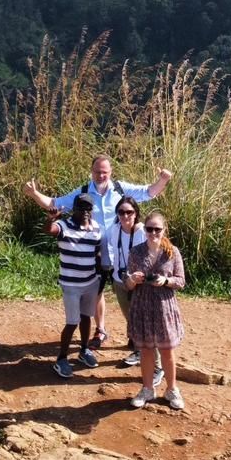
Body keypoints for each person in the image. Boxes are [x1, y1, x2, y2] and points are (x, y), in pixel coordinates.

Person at [24, 154, 173, 348]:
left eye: (104, 172)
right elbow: (55, 203)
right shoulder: (84, 191)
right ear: (91, 171)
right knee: (96, 291)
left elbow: (149, 192)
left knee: (132, 292)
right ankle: (100, 330)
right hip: (95, 251)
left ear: (111, 172)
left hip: (122, 252)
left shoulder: (120, 188)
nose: (101, 175)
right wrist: (34, 194)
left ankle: (135, 333)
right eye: (97, 172)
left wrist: (164, 179)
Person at [125, 210, 187, 410]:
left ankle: (172, 389)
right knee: (145, 350)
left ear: (164, 230)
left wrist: (166, 281)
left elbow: (181, 281)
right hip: (142, 305)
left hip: (164, 306)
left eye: (157, 229)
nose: (153, 233)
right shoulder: (136, 252)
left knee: (167, 351)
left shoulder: (172, 252)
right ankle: (147, 389)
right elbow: (127, 285)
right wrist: (133, 279)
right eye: (149, 229)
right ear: (145, 230)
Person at [103, 197, 163, 386]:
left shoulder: (142, 231)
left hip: (140, 284)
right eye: (121, 212)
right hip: (121, 281)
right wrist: (115, 269)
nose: (125, 216)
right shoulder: (115, 229)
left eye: (129, 212)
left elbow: (152, 254)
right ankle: (139, 351)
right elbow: (112, 248)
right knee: (132, 321)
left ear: (136, 213)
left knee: (146, 326)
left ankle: (158, 367)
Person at [47, 194, 104, 379]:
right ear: (74, 210)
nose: (85, 213)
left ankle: (84, 350)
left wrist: (101, 276)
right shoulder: (65, 226)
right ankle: (61, 359)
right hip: (71, 284)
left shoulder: (97, 229)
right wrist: (50, 220)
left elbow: (97, 253)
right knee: (72, 322)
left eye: (89, 209)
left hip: (90, 282)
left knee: (86, 317)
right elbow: (51, 230)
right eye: (81, 209)